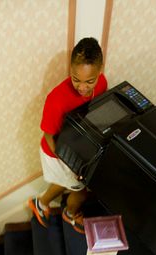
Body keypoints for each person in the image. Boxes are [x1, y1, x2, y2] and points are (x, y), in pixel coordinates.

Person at [28, 37, 107, 234]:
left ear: (100, 71)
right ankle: (70, 214)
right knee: (80, 192)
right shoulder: (56, 100)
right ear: (70, 70)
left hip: (75, 146)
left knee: (65, 182)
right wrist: (71, 163)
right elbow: (48, 136)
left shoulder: (102, 84)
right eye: (76, 79)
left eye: (90, 81)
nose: (82, 87)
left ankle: (40, 203)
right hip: (56, 151)